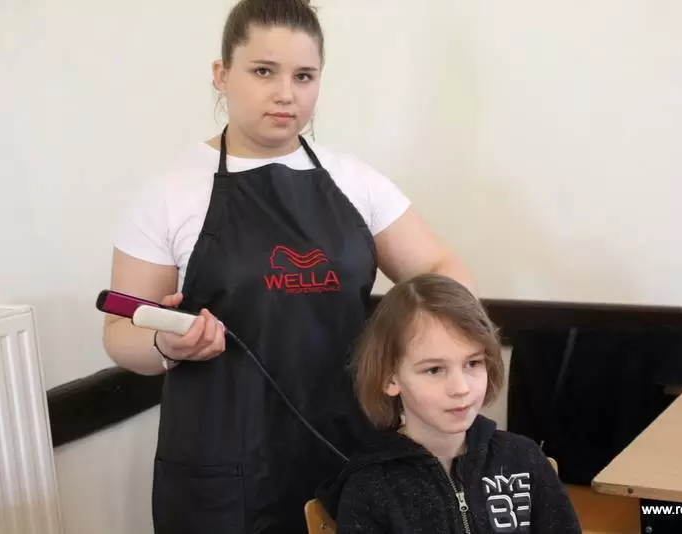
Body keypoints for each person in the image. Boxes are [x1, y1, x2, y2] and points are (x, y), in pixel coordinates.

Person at [101, 0, 475, 532]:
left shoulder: (356, 181)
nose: (285, 93)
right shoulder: (171, 192)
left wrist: (435, 353)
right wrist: (165, 343)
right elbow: (120, 333)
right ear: (221, 74)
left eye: (304, 76)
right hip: (221, 465)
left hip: (351, 451)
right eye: (263, 71)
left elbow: (441, 268)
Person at [317, 273, 581, 533]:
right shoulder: (369, 486)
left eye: (473, 363)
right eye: (434, 370)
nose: (461, 388)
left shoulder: (523, 458)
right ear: (390, 378)